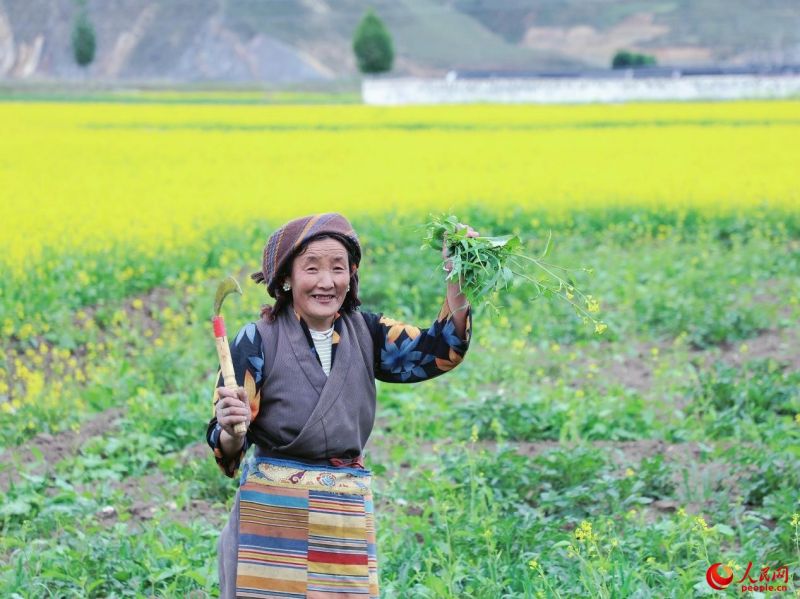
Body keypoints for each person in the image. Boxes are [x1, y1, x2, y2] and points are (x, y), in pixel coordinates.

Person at [207, 212, 475, 598]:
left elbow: (440, 350)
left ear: (351, 276)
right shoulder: (257, 339)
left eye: (338, 268)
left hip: (342, 516)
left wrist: (458, 278)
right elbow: (226, 444)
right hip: (273, 521)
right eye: (311, 268)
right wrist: (232, 431)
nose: (326, 282)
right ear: (285, 278)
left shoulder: (368, 332)